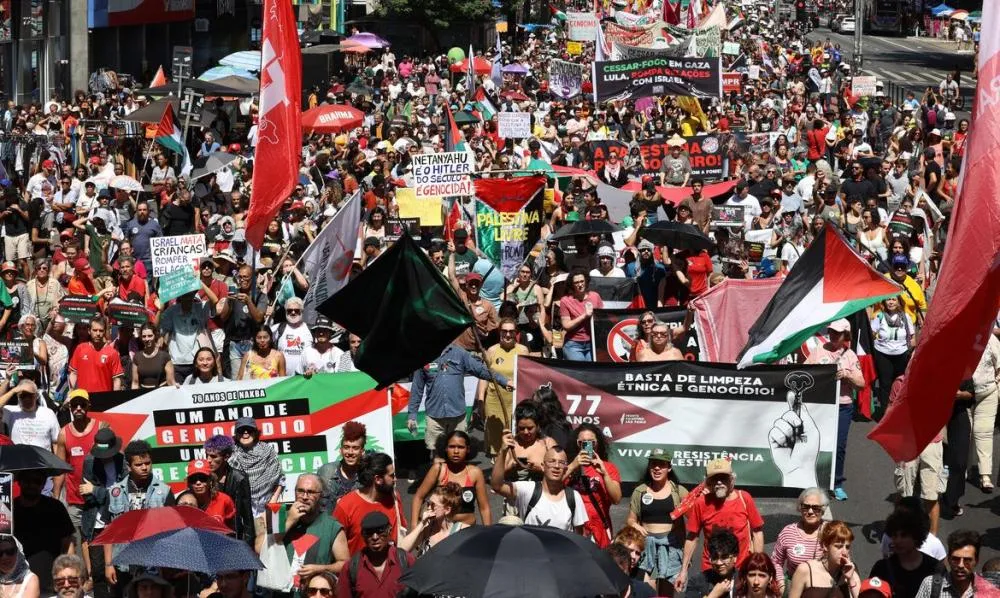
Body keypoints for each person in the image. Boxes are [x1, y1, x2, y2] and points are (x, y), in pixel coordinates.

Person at [407, 343, 510, 459]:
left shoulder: (459, 353)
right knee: (438, 457)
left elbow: (481, 370)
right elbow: (417, 388)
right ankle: (441, 477)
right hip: (434, 417)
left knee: (459, 455)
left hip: (457, 416)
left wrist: (504, 381)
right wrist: (412, 415)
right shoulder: (423, 356)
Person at [676, 459, 764, 594]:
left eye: (723, 477)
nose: (719, 482)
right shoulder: (701, 503)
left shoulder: (744, 498)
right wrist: (683, 571)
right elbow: (692, 537)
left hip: (741, 569)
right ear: (708, 482)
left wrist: (758, 566)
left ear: (732, 479)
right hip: (712, 570)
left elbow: (757, 532)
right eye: (714, 478)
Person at [805, 319, 865, 501]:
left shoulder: (850, 356)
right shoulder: (818, 351)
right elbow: (805, 373)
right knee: (817, 444)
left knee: (838, 446)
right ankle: (815, 480)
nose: (832, 335)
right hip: (821, 406)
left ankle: (837, 483)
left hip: (843, 406)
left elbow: (861, 384)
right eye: (830, 331)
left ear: (845, 335)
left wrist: (847, 375)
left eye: (837, 333)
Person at [258, 473, 348, 584]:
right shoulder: (278, 515)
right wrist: (289, 521)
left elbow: (345, 564)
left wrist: (320, 569)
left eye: (311, 492)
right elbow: (259, 548)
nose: (304, 497)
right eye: (300, 491)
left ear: (321, 496)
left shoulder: (331, 526)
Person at [626, 449, 688, 595]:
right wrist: (635, 525)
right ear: (649, 467)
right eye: (653, 464)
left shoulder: (679, 491)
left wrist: (685, 553)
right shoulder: (640, 491)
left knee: (666, 593)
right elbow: (630, 519)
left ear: (669, 468)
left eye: (661, 464)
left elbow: (695, 519)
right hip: (646, 544)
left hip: (671, 545)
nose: (657, 468)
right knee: (647, 590)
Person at [491, 442, 587, 533]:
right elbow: (497, 486)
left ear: (566, 468)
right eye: (552, 461)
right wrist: (503, 452)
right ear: (543, 466)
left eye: (561, 463)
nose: (556, 466)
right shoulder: (528, 490)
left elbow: (579, 535)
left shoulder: (574, 497)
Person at [53, 389, 101, 555]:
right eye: (75, 405)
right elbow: (60, 468)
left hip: (97, 497)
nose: (78, 408)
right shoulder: (63, 434)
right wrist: (56, 496)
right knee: (77, 543)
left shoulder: (100, 428)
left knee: (97, 541)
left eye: (82, 404)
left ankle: (98, 577)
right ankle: (83, 578)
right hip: (74, 499)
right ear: (70, 408)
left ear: (88, 406)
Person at [79, 428, 125, 598]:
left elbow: (123, 493)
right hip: (97, 522)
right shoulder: (89, 462)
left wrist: (98, 491)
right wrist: (103, 493)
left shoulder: (122, 461)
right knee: (98, 572)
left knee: (120, 570)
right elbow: (86, 495)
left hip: (119, 521)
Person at [410, 430, 490, 527]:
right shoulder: (438, 469)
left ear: (468, 449)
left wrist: (488, 533)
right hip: (440, 531)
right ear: (445, 449)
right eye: (452, 447)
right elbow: (418, 497)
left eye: (461, 447)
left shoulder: (475, 473)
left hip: (468, 531)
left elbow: (484, 508)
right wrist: (414, 528)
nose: (456, 451)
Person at [12, 470, 74, 593]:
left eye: (37, 481)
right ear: (19, 482)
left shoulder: (56, 507)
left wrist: (68, 571)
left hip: (50, 582)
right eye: (27, 481)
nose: (32, 485)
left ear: (43, 484)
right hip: (17, 582)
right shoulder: (10, 509)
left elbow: (68, 543)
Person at [334, 453, 407, 555]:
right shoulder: (345, 506)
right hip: (358, 570)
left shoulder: (394, 498)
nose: (395, 479)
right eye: (391, 476)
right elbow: (336, 547)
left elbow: (402, 540)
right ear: (378, 479)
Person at [564, 423, 621, 547]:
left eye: (591, 442)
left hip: (599, 528)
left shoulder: (608, 467)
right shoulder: (568, 466)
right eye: (582, 443)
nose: (586, 446)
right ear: (576, 444)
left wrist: (605, 474)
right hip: (573, 527)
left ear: (597, 443)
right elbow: (551, 488)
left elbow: (616, 499)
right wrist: (572, 466)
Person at [478, 318, 528, 456]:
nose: (507, 335)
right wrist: (481, 399)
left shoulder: (523, 350)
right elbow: (484, 376)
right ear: (500, 332)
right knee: (496, 435)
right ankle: (497, 464)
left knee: (515, 433)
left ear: (516, 333)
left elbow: (528, 376)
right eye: (504, 331)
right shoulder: (492, 350)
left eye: (511, 331)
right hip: (495, 401)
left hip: (515, 401)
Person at [336, 512, 415, 598]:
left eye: (380, 531)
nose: (375, 537)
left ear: (389, 531)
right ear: (363, 535)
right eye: (369, 532)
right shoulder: (351, 568)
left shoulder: (406, 561)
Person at [869, 508, 940, 598]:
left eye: (904, 535)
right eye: (894, 535)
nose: (898, 540)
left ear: (916, 537)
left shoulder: (935, 568)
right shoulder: (881, 568)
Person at [771, 488, 829, 592]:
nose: (810, 511)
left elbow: (843, 559)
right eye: (806, 507)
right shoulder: (788, 532)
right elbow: (776, 561)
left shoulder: (831, 532)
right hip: (793, 587)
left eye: (815, 507)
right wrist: (781, 585)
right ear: (800, 508)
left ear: (823, 510)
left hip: (823, 588)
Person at [202, 435, 254, 548]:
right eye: (207, 455)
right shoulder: (202, 478)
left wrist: (248, 547)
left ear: (226, 457)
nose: (208, 460)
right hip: (209, 536)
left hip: (232, 537)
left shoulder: (239, 478)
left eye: (213, 456)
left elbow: (247, 517)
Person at [914, 531, 1000, 598]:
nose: (960, 565)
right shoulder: (930, 585)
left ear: (976, 561)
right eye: (955, 559)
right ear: (948, 559)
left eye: (967, 560)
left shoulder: (988, 589)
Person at [787, 521, 861, 598]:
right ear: (825, 546)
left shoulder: (851, 570)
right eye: (838, 546)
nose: (844, 552)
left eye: (847, 547)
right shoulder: (805, 570)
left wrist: (851, 579)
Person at [228, 417, 283, 516]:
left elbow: (280, 479)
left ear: (256, 433)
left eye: (249, 430)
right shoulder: (231, 455)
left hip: (267, 506)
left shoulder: (268, 451)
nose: (245, 433)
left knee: (270, 531)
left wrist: (273, 501)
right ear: (236, 434)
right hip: (241, 509)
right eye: (241, 430)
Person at [399, 482, 470, 555]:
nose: (428, 508)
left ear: (447, 510)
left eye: (433, 505)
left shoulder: (460, 531)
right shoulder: (429, 528)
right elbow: (402, 549)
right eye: (428, 503)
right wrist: (422, 523)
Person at [317, 421, 367, 513]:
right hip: (329, 524)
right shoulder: (326, 471)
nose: (350, 452)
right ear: (340, 450)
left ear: (362, 452)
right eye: (346, 447)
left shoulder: (367, 476)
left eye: (355, 448)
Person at [68, 317, 124, 392]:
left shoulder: (112, 353)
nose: (98, 334)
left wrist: (115, 399)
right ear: (89, 331)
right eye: (95, 330)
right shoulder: (80, 349)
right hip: (83, 398)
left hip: (103, 399)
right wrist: (71, 392)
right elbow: (73, 373)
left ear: (104, 332)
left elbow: (116, 380)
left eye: (101, 331)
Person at [559, 269, 603, 361]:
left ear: (586, 281)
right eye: (576, 282)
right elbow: (566, 325)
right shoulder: (565, 300)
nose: (580, 285)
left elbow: (603, 319)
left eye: (582, 281)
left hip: (593, 343)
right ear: (572, 285)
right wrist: (584, 316)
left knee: (592, 371)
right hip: (573, 344)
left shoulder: (595, 296)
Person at [682, 529, 740, 598]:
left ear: (735, 557)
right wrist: (713, 595)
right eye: (715, 558)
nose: (719, 563)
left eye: (724, 557)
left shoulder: (744, 581)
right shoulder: (696, 582)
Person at [184, 459, 236, 530]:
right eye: (193, 479)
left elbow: (232, 528)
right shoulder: (184, 503)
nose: (198, 482)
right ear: (189, 483)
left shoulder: (224, 500)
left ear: (210, 481)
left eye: (203, 478)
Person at [272, 297, 312, 375]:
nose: (293, 312)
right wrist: (269, 318)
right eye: (290, 310)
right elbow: (262, 337)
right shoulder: (278, 328)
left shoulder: (311, 330)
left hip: (305, 378)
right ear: (285, 312)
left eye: (296, 310)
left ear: (302, 311)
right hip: (282, 378)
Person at [131, 324, 174, 389]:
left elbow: (171, 382)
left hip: (161, 393)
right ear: (141, 338)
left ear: (155, 336)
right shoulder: (137, 357)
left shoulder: (165, 356)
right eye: (144, 336)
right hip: (143, 395)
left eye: (150, 336)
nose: (147, 339)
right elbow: (135, 383)